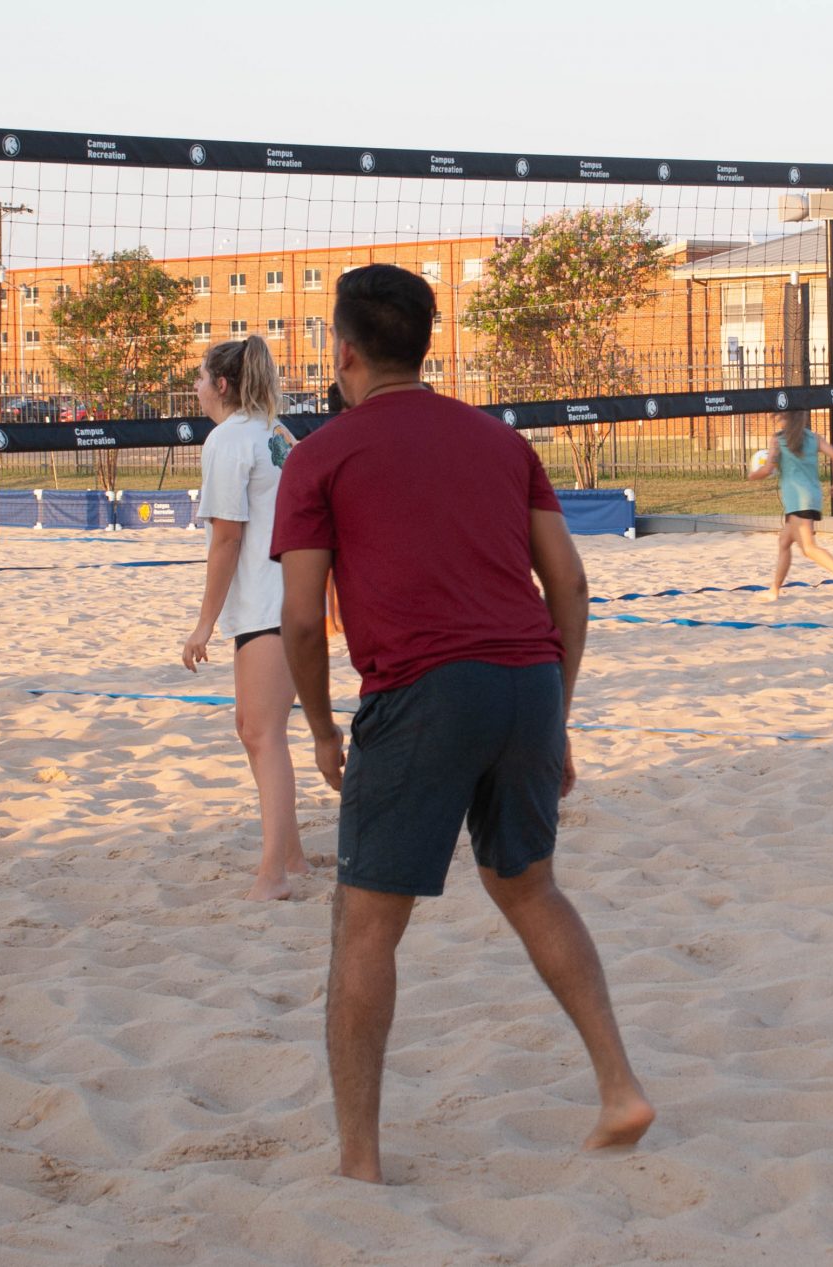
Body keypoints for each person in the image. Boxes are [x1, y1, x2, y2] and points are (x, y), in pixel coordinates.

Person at [272, 263, 653, 1183]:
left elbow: (297, 614)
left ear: (345, 349)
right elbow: (570, 584)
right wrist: (554, 711)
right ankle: (619, 1087)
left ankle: (359, 1160)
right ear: (426, 345)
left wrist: (322, 728)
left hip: (425, 690)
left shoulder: (322, 453)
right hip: (526, 678)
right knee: (529, 888)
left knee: (364, 926)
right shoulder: (499, 440)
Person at [181, 336, 309, 902]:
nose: (196, 386)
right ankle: (293, 858)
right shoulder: (276, 431)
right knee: (255, 731)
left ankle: (273, 876)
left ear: (223, 385)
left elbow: (226, 539)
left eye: (202, 377)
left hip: (267, 602)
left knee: (262, 734)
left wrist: (203, 623)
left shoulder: (230, 439)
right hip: (288, 596)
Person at [746, 412, 833, 605]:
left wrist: (752, 475)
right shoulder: (813, 438)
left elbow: (767, 470)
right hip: (811, 497)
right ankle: (774, 590)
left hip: (798, 500)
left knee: (808, 548)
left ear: (785, 418)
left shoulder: (778, 440)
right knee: (784, 542)